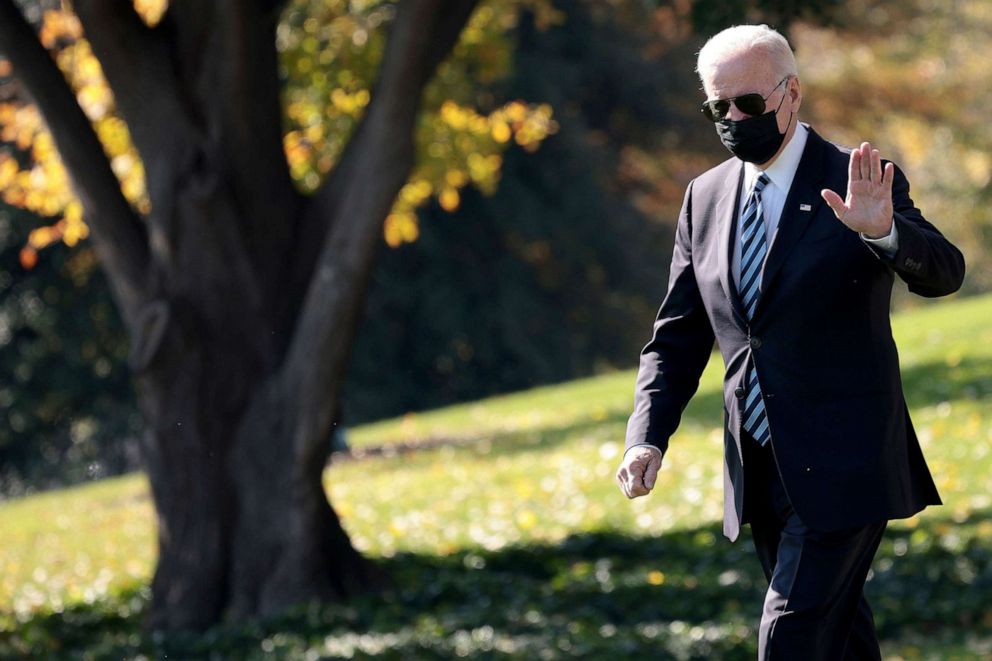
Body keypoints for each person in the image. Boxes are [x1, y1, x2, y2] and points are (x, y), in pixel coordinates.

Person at [614, 24, 965, 660]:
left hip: (846, 461)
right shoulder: (704, 198)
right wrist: (647, 435)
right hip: (760, 467)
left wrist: (883, 232)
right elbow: (678, 334)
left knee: (789, 641)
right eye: (716, 107)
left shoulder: (859, 177)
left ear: (791, 94)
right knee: (840, 639)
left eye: (746, 103)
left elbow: (945, 270)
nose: (731, 118)